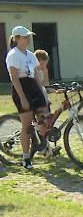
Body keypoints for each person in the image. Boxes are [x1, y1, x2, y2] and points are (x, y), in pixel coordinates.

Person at [5, 26, 49, 169]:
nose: (27, 39)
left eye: (28, 36)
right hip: (21, 88)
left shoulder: (30, 55)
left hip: (33, 86)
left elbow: (36, 74)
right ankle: (26, 158)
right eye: (25, 37)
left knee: (44, 118)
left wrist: (42, 90)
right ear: (17, 39)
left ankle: (42, 144)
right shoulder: (13, 55)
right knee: (26, 126)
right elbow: (15, 78)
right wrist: (23, 98)